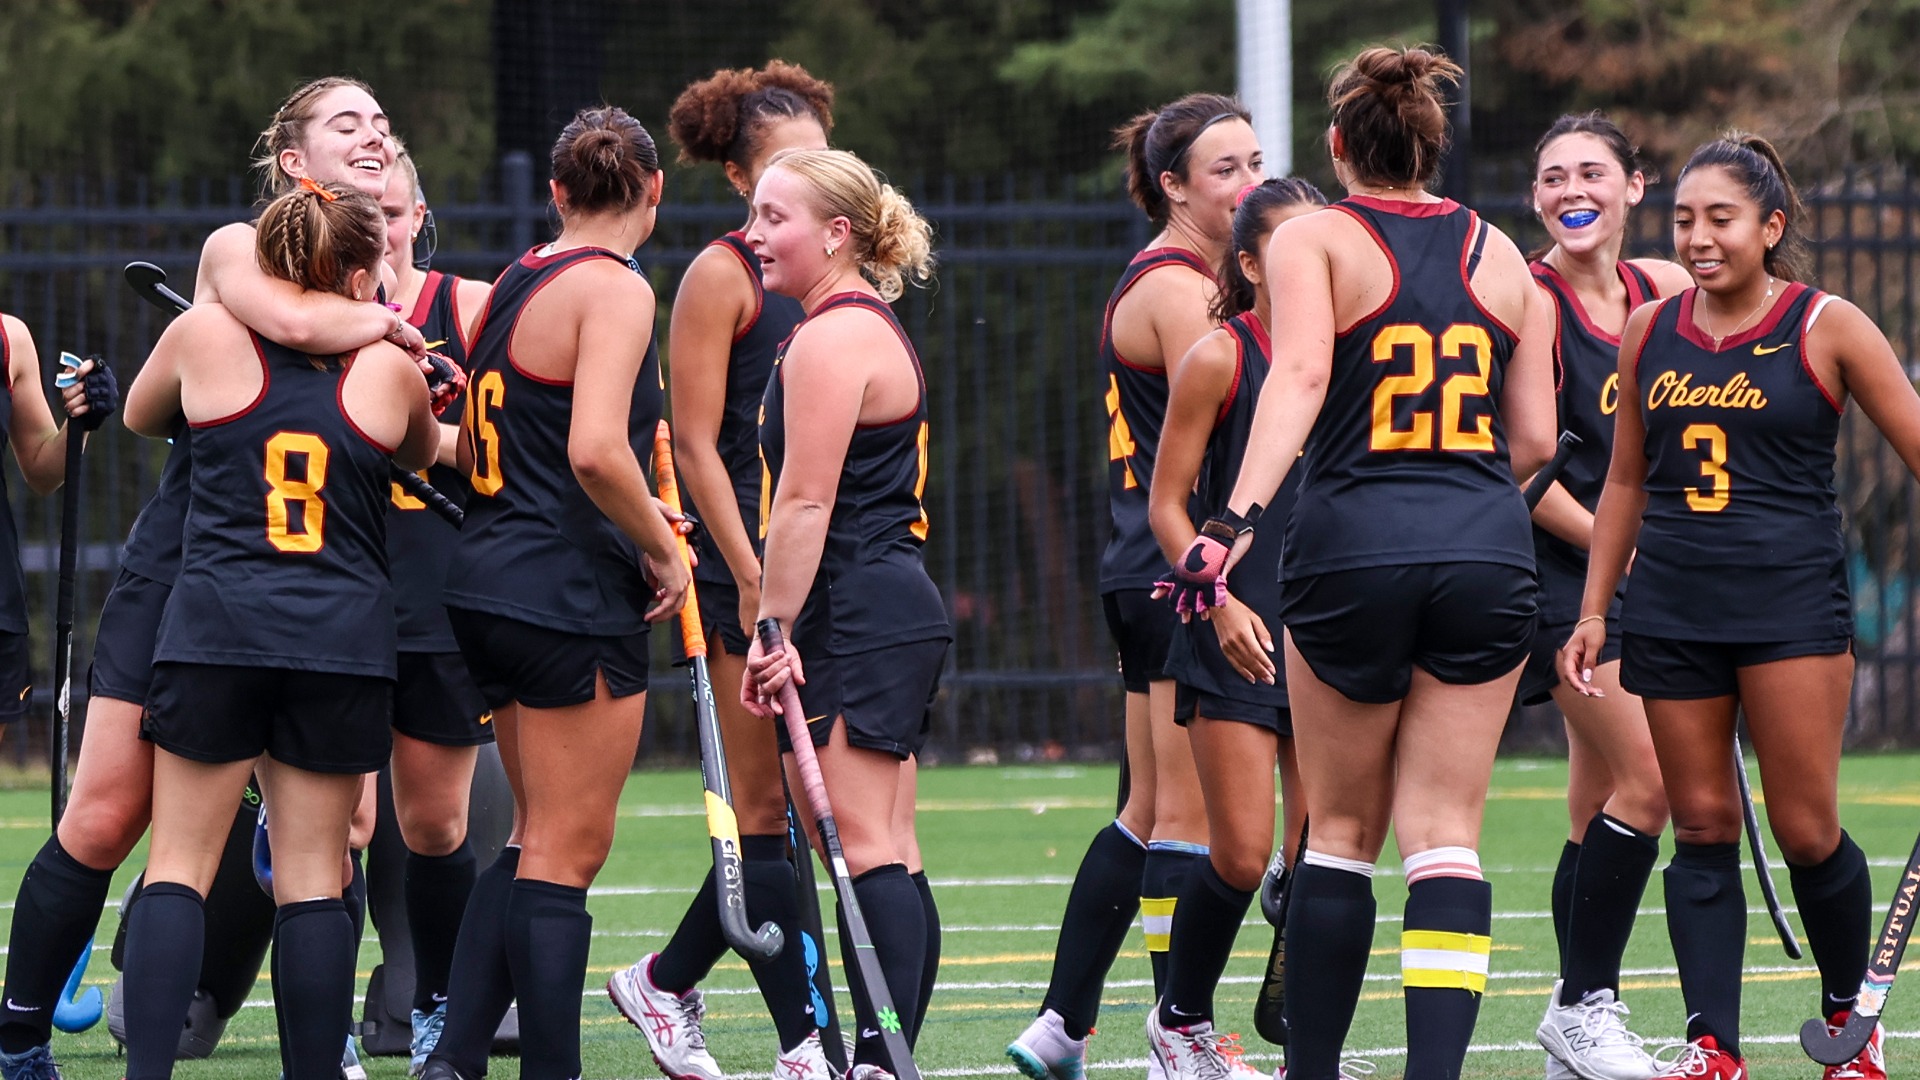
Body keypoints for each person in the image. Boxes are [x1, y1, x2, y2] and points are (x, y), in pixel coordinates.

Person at [0, 75, 418, 1080]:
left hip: (309, 586)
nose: (373, 134)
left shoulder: (386, 252)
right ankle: (16, 1035)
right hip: (189, 564)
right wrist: (387, 320)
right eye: (344, 122)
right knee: (105, 813)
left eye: (381, 124)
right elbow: (314, 327)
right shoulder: (242, 246)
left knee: (334, 831)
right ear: (291, 161)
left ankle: (322, 1046)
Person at [1161, 45, 1555, 1080]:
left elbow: (1296, 376)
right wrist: (1460, 509)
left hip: (1352, 547)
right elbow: (1538, 443)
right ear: (1434, 145)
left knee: (1336, 828)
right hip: (1485, 546)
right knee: (1446, 836)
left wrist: (1232, 522)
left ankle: (1315, 1073)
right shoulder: (1506, 255)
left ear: (1338, 147)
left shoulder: (1318, 239)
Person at [1562, 133, 1906, 1080]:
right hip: (1671, 607)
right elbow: (1625, 480)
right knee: (1702, 824)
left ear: (1771, 226)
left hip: (1790, 609)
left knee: (1805, 828)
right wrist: (1596, 609)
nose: (1700, 237)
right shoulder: (1651, 329)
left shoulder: (1827, 325)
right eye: (1684, 220)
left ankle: (1850, 1025)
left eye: (1721, 218)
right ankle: (1713, 1044)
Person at [116, 178, 439, 1080]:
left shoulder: (202, 336)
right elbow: (419, 450)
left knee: (178, 865)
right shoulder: (390, 368)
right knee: (311, 878)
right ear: (366, 271)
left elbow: (145, 416)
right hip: (339, 644)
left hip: (217, 631)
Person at [425, 105, 689, 1080]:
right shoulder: (615, 289)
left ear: (557, 192)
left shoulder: (515, 279)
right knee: (569, 853)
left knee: (533, 839)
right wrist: (664, 547)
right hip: (564, 588)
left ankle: (455, 1057)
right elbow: (593, 451)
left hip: (486, 577)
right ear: (654, 192)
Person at [1009, 91, 1262, 1080]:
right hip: (1175, 571)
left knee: (1151, 808)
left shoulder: (1186, 278)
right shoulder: (1179, 290)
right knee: (1188, 822)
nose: (1249, 184)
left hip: (1147, 566)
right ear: (1172, 186)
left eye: (1254, 162)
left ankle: (1062, 1023)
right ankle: (1179, 1035)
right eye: (1225, 170)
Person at [604, 61, 840, 1080]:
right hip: (744, 570)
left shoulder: (838, 272)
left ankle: (662, 981)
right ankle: (807, 1046)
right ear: (745, 178)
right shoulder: (721, 274)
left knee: (800, 810)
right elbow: (696, 445)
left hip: (821, 569)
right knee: (764, 813)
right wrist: (748, 576)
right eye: (791, 164)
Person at [740, 147, 945, 1080]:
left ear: (838, 233)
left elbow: (806, 504)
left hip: (859, 605)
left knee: (866, 849)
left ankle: (877, 1059)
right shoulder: (845, 325)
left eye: (774, 218)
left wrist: (769, 631)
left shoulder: (832, 336)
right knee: (889, 847)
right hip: (876, 600)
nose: (754, 235)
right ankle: (883, 1056)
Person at [1520, 112, 1691, 1080]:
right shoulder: (1534, 299)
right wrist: (1623, 555)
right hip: (1566, 579)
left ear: (1636, 186)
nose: (1570, 190)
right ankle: (1586, 1006)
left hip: (1651, 572)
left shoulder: (1663, 290)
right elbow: (1528, 472)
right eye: (1552, 178)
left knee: (1596, 814)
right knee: (1655, 782)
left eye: (1591, 172)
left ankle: (1570, 1016)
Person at [1146, 177, 1324, 1075]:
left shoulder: (1353, 358)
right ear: (1251, 265)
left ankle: (1305, 1039)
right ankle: (1178, 1022)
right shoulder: (1220, 356)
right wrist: (1217, 601)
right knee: (1245, 854)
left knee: (1319, 861)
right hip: (1235, 631)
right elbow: (1168, 506)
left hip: (1329, 629)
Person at [376, 139, 496, 1074]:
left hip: (437, 597)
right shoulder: (293, 313)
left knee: (435, 827)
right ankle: (324, 1019)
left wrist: (433, 424)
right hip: (329, 590)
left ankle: (434, 1009)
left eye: (392, 211)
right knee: (327, 827)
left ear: (418, 217)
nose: (377, 229)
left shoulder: (468, 306)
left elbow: (505, 454)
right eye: (358, 213)